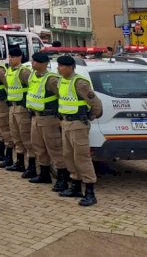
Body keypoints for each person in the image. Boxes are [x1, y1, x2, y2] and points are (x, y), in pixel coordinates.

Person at [56, 55, 103, 206]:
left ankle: (90, 191)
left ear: (70, 67)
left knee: (82, 157)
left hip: (78, 124)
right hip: (66, 123)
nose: (59, 68)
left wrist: (92, 115)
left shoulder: (80, 83)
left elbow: (96, 103)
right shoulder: (62, 81)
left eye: (62, 66)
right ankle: (75, 185)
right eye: (58, 66)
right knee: (69, 156)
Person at [25, 52, 68, 192]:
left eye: (36, 62)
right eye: (33, 61)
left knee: (54, 148)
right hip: (35, 117)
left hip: (49, 118)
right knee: (38, 146)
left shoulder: (52, 80)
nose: (33, 64)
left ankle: (62, 178)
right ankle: (44, 173)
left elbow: (62, 97)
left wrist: (60, 117)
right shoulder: (32, 76)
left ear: (44, 64)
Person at [4, 46, 34, 175]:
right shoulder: (9, 71)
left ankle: (32, 166)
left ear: (20, 57)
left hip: (22, 108)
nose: (11, 59)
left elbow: (32, 88)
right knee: (16, 136)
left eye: (13, 57)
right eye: (10, 57)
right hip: (12, 107)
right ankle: (20, 162)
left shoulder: (24, 72)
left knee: (26, 136)